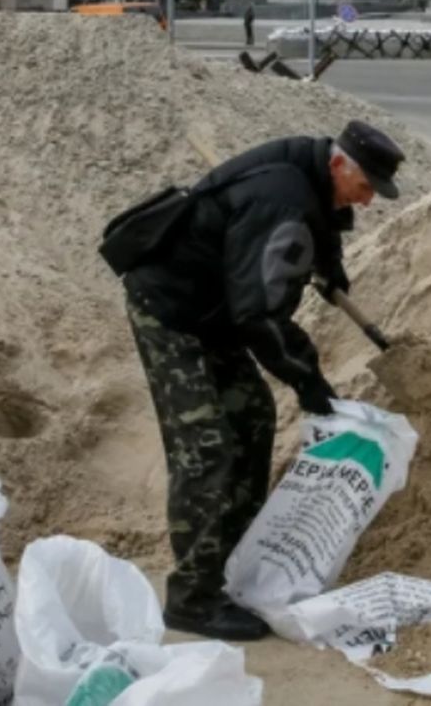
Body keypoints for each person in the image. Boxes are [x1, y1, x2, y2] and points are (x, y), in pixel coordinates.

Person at [121, 120, 404, 641]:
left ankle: (230, 565)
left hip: (217, 308)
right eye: (366, 188)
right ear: (341, 164)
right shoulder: (281, 202)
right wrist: (306, 377)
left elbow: (327, 217)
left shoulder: (311, 167)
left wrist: (330, 263)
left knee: (253, 417)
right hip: (173, 310)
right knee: (205, 448)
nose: (367, 202)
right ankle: (193, 600)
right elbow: (259, 312)